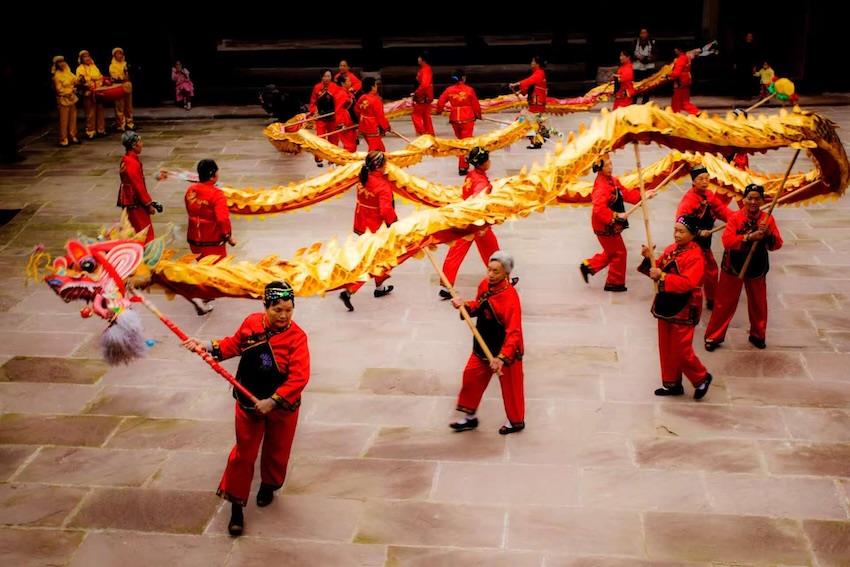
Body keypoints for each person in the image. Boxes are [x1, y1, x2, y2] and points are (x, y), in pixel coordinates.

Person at [181, 280, 310, 537]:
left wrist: (273, 401)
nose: (283, 316)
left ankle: (268, 486)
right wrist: (206, 345)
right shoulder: (251, 323)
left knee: (278, 449)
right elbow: (234, 345)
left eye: (288, 310)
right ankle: (236, 506)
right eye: (277, 310)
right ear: (265, 306)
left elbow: (299, 377)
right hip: (248, 403)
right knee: (243, 454)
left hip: (282, 406)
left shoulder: (297, 337)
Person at [448, 250, 525, 435]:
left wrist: (501, 358)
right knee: (471, 377)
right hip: (483, 343)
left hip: (506, 350)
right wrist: (464, 305)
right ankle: (470, 417)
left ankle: (516, 421)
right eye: (489, 269)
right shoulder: (484, 284)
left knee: (512, 388)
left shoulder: (510, 299)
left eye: (495, 271)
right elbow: (480, 305)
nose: (490, 274)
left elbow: (514, 332)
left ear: (506, 274)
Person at [637, 215, 713, 400]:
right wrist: (649, 259)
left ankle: (701, 377)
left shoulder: (696, 256)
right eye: (675, 230)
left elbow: (688, 283)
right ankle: (671, 383)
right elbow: (657, 268)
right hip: (666, 303)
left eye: (681, 231)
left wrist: (662, 276)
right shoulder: (672, 249)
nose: (677, 235)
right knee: (666, 347)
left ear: (693, 234)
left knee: (681, 350)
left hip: (685, 306)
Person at [704, 183, 783, 351]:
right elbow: (727, 241)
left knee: (758, 303)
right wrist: (749, 237)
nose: (753, 202)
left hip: (757, 265)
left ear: (762, 201)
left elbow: (777, 244)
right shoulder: (735, 218)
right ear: (744, 199)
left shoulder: (767, 219)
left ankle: (758, 334)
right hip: (733, 265)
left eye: (756, 199)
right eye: (750, 198)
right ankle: (713, 336)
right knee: (724, 303)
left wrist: (768, 234)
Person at [580, 153, 656, 292]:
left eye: (611, 163)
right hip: (604, 226)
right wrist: (615, 216)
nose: (610, 167)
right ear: (599, 168)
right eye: (606, 165)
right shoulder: (601, 188)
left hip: (609, 224)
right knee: (619, 253)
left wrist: (643, 196)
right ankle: (614, 282)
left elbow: (625, 193)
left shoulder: (612, 180)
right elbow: (598, 209)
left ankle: (589, 266)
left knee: (612, 251)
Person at [339, 150, 398, 311]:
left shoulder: (363, 177)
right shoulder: (382, 186)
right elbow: (386, 211)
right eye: (385, 164)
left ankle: (379, 287)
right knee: (374, 260)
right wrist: (394, 223)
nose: (386, 166)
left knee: (378, 258)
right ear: (379, 167)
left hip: (362, 223)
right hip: (376, 227)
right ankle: (350, 290)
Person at [438, 147, 501, 299]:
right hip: (477, 222)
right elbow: (478, 200)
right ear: (482, 163)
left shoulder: (471, 175)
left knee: (457, 252)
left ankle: (446, 284)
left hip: (466, 220)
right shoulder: (480, 181)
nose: (490, 162)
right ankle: (501, 279)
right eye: (488, 160)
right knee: (491, 250)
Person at [675, 164, 733, 311]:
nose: (705, 182)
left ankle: (711, 299)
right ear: (693, 181)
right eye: (701, 179)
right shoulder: (688, 201)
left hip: (705, 242)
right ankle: (689, 298)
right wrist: (698, 232)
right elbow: (680, 221)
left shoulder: (709, 195)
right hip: (692, 242)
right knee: (694, 271)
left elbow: (721, 210)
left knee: (711, 270)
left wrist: (737, 218)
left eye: (707, 178)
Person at [185, 159, 236, 315]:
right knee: (215, 270)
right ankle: (202, 296)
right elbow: (222, 219)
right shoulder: (217, 194)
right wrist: (228, 236)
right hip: (211, 239)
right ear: (213, 175)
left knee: (202, 265)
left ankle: (202, 294)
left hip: (194, 236)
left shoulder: (191, 190)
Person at [435, 69, 482, 176]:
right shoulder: (469, 89)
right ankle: (463, 166)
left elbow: (440, 102)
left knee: (460, 141)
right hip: (467, 118)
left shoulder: (449, 90)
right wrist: (478, 115)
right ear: (463, 78)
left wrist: (439, 111)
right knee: (465, 143)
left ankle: (463, 160)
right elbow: (475, 105)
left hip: (455, 119)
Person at [117, 130, 158, 244]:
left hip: (130, 200)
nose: (142, 144)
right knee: (144, 231)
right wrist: (148, 204)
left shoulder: (127, 159)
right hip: (135, 202)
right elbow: (138, 185)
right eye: (140, 142)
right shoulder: (131, 163)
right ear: (134, 145)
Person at [509, 55, 548, 148]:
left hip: (537, 102)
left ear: (537, 64)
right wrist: (520, 91)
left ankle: (540, 137)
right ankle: (541, 135)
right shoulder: (537, 73)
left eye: (533, 61)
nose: (531, 63)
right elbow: (530, 86)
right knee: (532, 121)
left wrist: (517, 84)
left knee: (529, 120)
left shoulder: (540, 73)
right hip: (535, 102)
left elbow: (530, 81)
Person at [308, 69, 340, 167]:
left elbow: (339, 101)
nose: (326, 78)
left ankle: (332, 158)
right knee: (320, 138)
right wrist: (315, 112)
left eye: (328, 76)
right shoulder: (317, 87)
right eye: (325, 76)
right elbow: (313, 103)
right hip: (321, 117)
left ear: (332, 77)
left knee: (333, 139)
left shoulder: (335, 87)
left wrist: (338, 112)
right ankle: (319, 158)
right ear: (321, 77)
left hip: (333, 117)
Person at [75, 49, 106, 139]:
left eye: (88, 56)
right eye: (85, 57)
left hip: (98, 91)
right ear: (81, 59)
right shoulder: (80, 68)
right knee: (90, 112)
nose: (87, 58)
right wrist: (91, 78)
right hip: (88, 92)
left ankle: (101, 129)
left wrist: (98, 80)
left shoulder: (94, 66)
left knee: (100, 111)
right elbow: (81, 80)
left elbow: (100, 77)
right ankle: (90, 131)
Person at [355, 77, 392, 152]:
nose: (377, 86)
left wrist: (361, 119)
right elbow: (380, 116)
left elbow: (356, 110)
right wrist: (387, 127)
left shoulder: (362, 97)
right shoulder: (375, 100)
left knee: (381, 149)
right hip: (373, 127)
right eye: (375, 84)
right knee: (374, 150)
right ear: (372, 87)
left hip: (364, 126)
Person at [51, 55, 80, 148]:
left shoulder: (67, 72)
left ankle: (73, 136)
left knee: (73, 119)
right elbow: (59, 90)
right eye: (59, 62)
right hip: (63, 99)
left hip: (72, 99)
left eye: (62, 61)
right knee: (64, 121)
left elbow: (74, 79)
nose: (62, 64)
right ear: (56, 64)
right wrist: (71, 90)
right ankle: (64, 139)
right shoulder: (56, 76)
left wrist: (80, 79)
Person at [666, 45, 701, 115]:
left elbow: (677, 72)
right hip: (686, 81)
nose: (675, 50)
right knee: (683, 101)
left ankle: (695, 112)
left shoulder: (681, 59)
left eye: (676, 49)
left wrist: (668, 75)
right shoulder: (686, 58)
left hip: (681, 82)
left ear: (679, 50)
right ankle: (695, 112)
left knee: (678, 102)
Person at [109, 47, 134, 132]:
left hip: (127, 86)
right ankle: (121, 125)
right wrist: (123, 76)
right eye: (117, 54)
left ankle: (130, 123)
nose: (119, 55)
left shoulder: (126, 64)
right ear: (114, 55)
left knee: (128, 106)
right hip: (118, 87)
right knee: (120, 107)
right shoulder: (112, 66)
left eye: (120, 53)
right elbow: (115, 76)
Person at [630, 28, 658, 105]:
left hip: (648, 67)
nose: (643, 35)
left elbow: (656, 54)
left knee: (647, 85)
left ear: (648, 34)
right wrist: (638, 57)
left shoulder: (652, 42)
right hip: (637, 67)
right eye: (642, 33)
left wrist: (648, 59)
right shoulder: (634, 42)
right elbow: (630, 54)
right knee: (636, 85)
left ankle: (645, 101)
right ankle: (634, 101)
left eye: (645, 33)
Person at [411, 50, 435, 136]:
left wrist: (417, 92)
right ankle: (429, 132)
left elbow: (425, 85)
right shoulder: (426, 69)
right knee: (425, 115)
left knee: (416, 115)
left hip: (423, 96)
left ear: (423, 59)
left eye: (419, 57)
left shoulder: (425, 69)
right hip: (426, 95)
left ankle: (422, 132)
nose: (418, 59)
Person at [333, 73, 358, 152]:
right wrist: (341, 124)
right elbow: (338, 110)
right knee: (349, 147)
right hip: (345, 123)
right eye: (348, 81)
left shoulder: (349, 93)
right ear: (342, 83)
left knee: (353, 146)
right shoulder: (340, 94)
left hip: (351, 122)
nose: (350, 83)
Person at [732, 31, 761, 100]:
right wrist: (735, 63)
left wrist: (755, 66)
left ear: (752, 38)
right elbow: (737, 54)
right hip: (741, 64)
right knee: (740, 80)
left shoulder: (754, 46)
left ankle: (748, 95)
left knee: (748, 80)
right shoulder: (741, 45)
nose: (749, 38)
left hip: (750, 65)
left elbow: (756, 57)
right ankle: (739, 95)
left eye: (750, 37)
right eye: (748, 36)